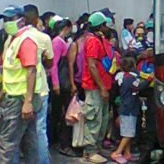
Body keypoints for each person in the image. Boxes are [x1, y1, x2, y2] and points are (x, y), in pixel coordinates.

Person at [0, 6, 40, 163]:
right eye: (4, 20)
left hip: (20, 99)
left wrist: (28, 102)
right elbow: (13, 73)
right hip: (17, 96)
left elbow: (31, 71)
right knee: (29, 143)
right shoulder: (13, 40)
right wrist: (1, 94)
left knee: (7, 144)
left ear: (22, 20)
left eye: (10, 19)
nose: (6, 23)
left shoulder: (25, 41)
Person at [22, 4, 54, 164]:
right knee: (40, 129)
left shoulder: (16, 37)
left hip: (20, 89)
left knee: (20, 131)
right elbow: (50, 63)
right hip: (39, 88)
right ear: (37, 19)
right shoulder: (43, 37)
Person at [82, 12, 113, 164]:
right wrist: (102, 87)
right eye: (104, 25)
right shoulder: (93, 41)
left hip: (102, 86)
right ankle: (90, 151)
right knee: (94, 119)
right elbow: (92, 66)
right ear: (100, 26)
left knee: (103, 119)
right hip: (95, 88)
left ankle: (97, 146)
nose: (106, 28)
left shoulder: (98, 39)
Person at [111, 56, 153, 164]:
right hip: (128, 109)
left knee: (128, 132)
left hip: (128, 108)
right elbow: (138, 87)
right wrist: (149, 79)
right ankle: (117, 152)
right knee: (128, 134)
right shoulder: (130, 78)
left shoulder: (126, 77)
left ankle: (127, 153)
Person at [49, 16, 79, 157]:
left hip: (63, 82)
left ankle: (55, 139)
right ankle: (62, 143)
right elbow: (54, 65)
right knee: (61, 113)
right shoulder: (58, 42)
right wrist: (56, 84)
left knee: (58, 112)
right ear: (65, 29)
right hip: (61, 83)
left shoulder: (62, 42)